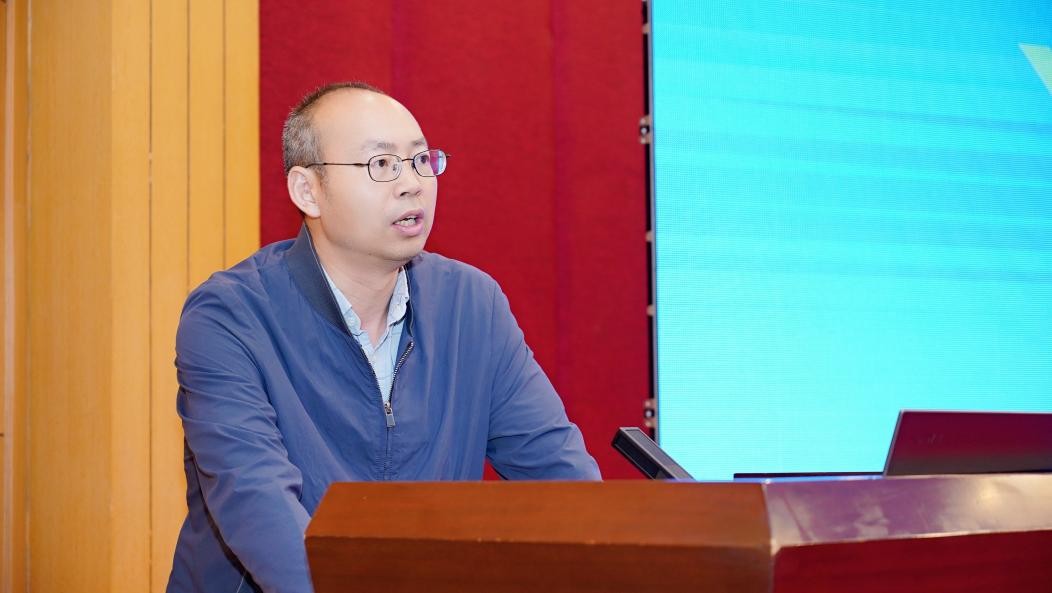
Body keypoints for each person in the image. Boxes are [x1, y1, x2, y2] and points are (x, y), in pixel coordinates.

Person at [165, 81, 601, 593]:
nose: (412, 184)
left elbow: (560, 479)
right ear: (308, 191)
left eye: (420, 161)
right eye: (381, 164)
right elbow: (259, 507)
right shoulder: (229, 317)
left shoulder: (471, 304)